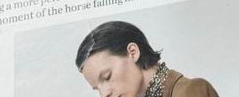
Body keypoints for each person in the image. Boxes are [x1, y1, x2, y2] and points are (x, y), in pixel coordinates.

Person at [75, 20, 219, 97]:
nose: (104, 94)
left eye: (107, 77)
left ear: (133, 52)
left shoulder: (191, 92)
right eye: (97, 89)